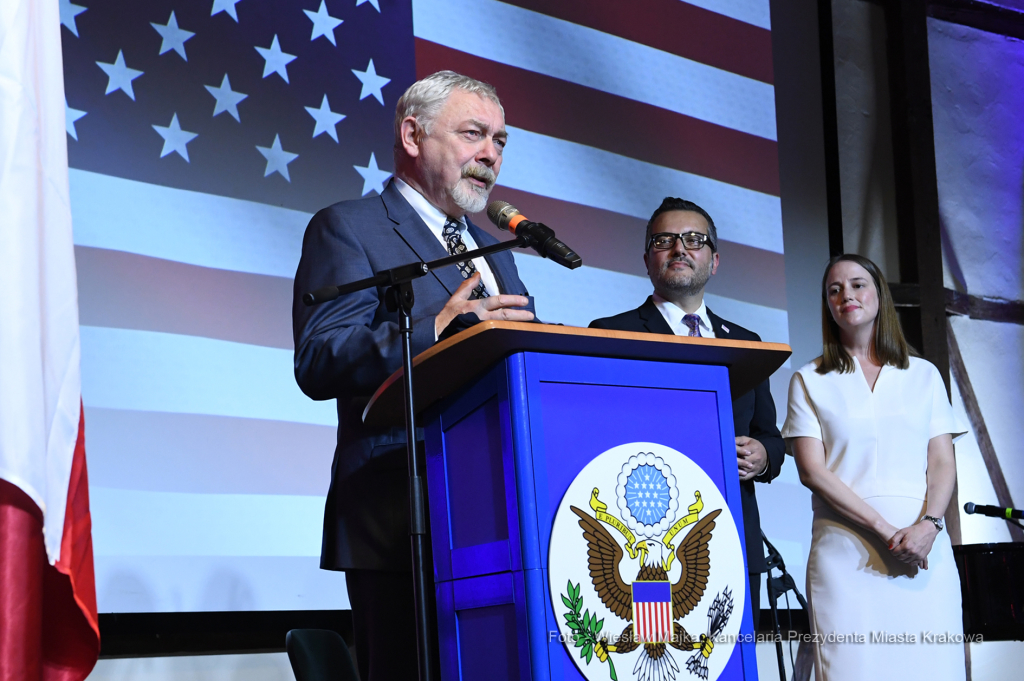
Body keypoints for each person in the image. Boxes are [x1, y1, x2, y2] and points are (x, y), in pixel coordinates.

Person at [292, 71, 535, 681]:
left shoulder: (496, 250)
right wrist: (435, 329)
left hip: (498, 520)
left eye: (501, 141)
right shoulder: (349, 226)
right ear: (412, 135)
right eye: (474, 134)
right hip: (399, 519)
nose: (491, 155)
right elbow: (320, 357)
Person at [589, 197, 785, 620]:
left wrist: (764, 456)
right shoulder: (611, 334)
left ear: (713, 262)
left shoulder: (747, 342)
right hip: (651, 553)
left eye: (695, 240)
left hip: (735, 537)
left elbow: (771, 436)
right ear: (647, 260)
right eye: (665, 240)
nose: (680, 248)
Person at [782, 254, 966, 680]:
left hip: (924, 551)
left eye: (858, 284)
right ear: (827, 305)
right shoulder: (809, 379)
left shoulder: (922, 374)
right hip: (846, 553)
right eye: (834, 289)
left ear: (879, 295)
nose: (847, 294)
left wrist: (928, 526)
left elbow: (941, 461)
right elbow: (812, 472)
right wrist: (886, 531)